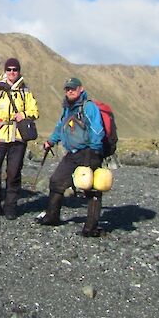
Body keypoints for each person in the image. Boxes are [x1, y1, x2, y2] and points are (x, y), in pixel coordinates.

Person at [36, 77, 105, 237]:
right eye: (67, 89)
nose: (70, 91)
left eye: (73, 88)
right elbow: (61, 127)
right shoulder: (68, 109)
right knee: (56, 181)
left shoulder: (89, 107)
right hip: (73, 153)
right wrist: (51, 141)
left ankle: (91, 227)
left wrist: (95, 152)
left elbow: (97, 129)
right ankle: (52, 216)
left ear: (81, 89)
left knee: (91, 188)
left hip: (89, 151)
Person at [0, 58, 39, 220]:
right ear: (5, 71)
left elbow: (35, 110)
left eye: (15, 69)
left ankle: (10, 207)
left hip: (18, 139)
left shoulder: (25, 91)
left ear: (19, 71)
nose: (12, 72)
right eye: (9, 69)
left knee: (14, 174)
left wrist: (24, 115)